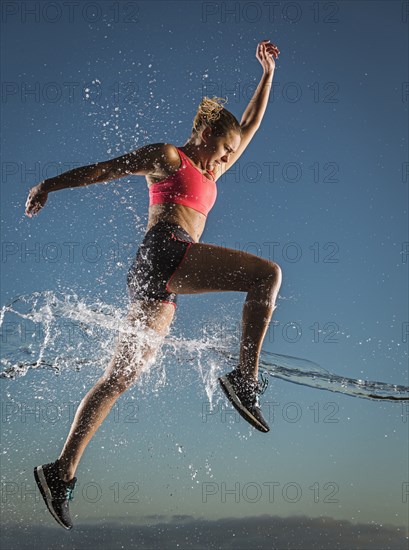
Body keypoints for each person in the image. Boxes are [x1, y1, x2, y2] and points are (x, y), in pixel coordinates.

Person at [26, 39, 282, 530]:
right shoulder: (169, 157)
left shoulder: (215, 164)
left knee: (121, 376)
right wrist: (49, 185)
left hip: (155, 277)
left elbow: (247, 126)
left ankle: (61, 470)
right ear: (203, 133)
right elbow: (105, 169)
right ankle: (245, 379)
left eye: (227, 157)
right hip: (164, 251)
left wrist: (267, 75)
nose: (220, 163)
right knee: (266, 276)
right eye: (219, 152)